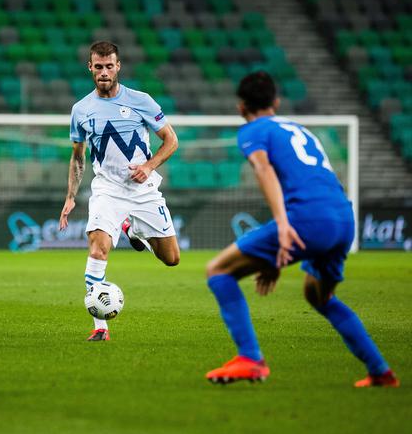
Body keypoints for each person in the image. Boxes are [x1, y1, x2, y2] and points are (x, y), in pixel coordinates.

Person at [204, 71, 398, 387]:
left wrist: (282, 226)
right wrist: (273, 257)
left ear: (241, 107)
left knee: (218, 271)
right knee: (318, 295)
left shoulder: (253, 130)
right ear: (276, 102)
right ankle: (380, 372)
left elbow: (264, 169)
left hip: (308, 220)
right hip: (343, 218)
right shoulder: (300, 129)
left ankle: (251, 359)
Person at [59, 41, 180, 341]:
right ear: (90, 67)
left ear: (118, 66)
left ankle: (134, 231)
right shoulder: (81, 110)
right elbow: (78, 156)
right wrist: (71, 196)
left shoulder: (141, 100)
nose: (103, 72)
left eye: (109, 66)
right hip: (107, 190)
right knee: (98, 248)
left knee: (172, 258)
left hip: (143, 189)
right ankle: (101, 327)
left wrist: (150, 166)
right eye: (98, 67)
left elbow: (171, 141)